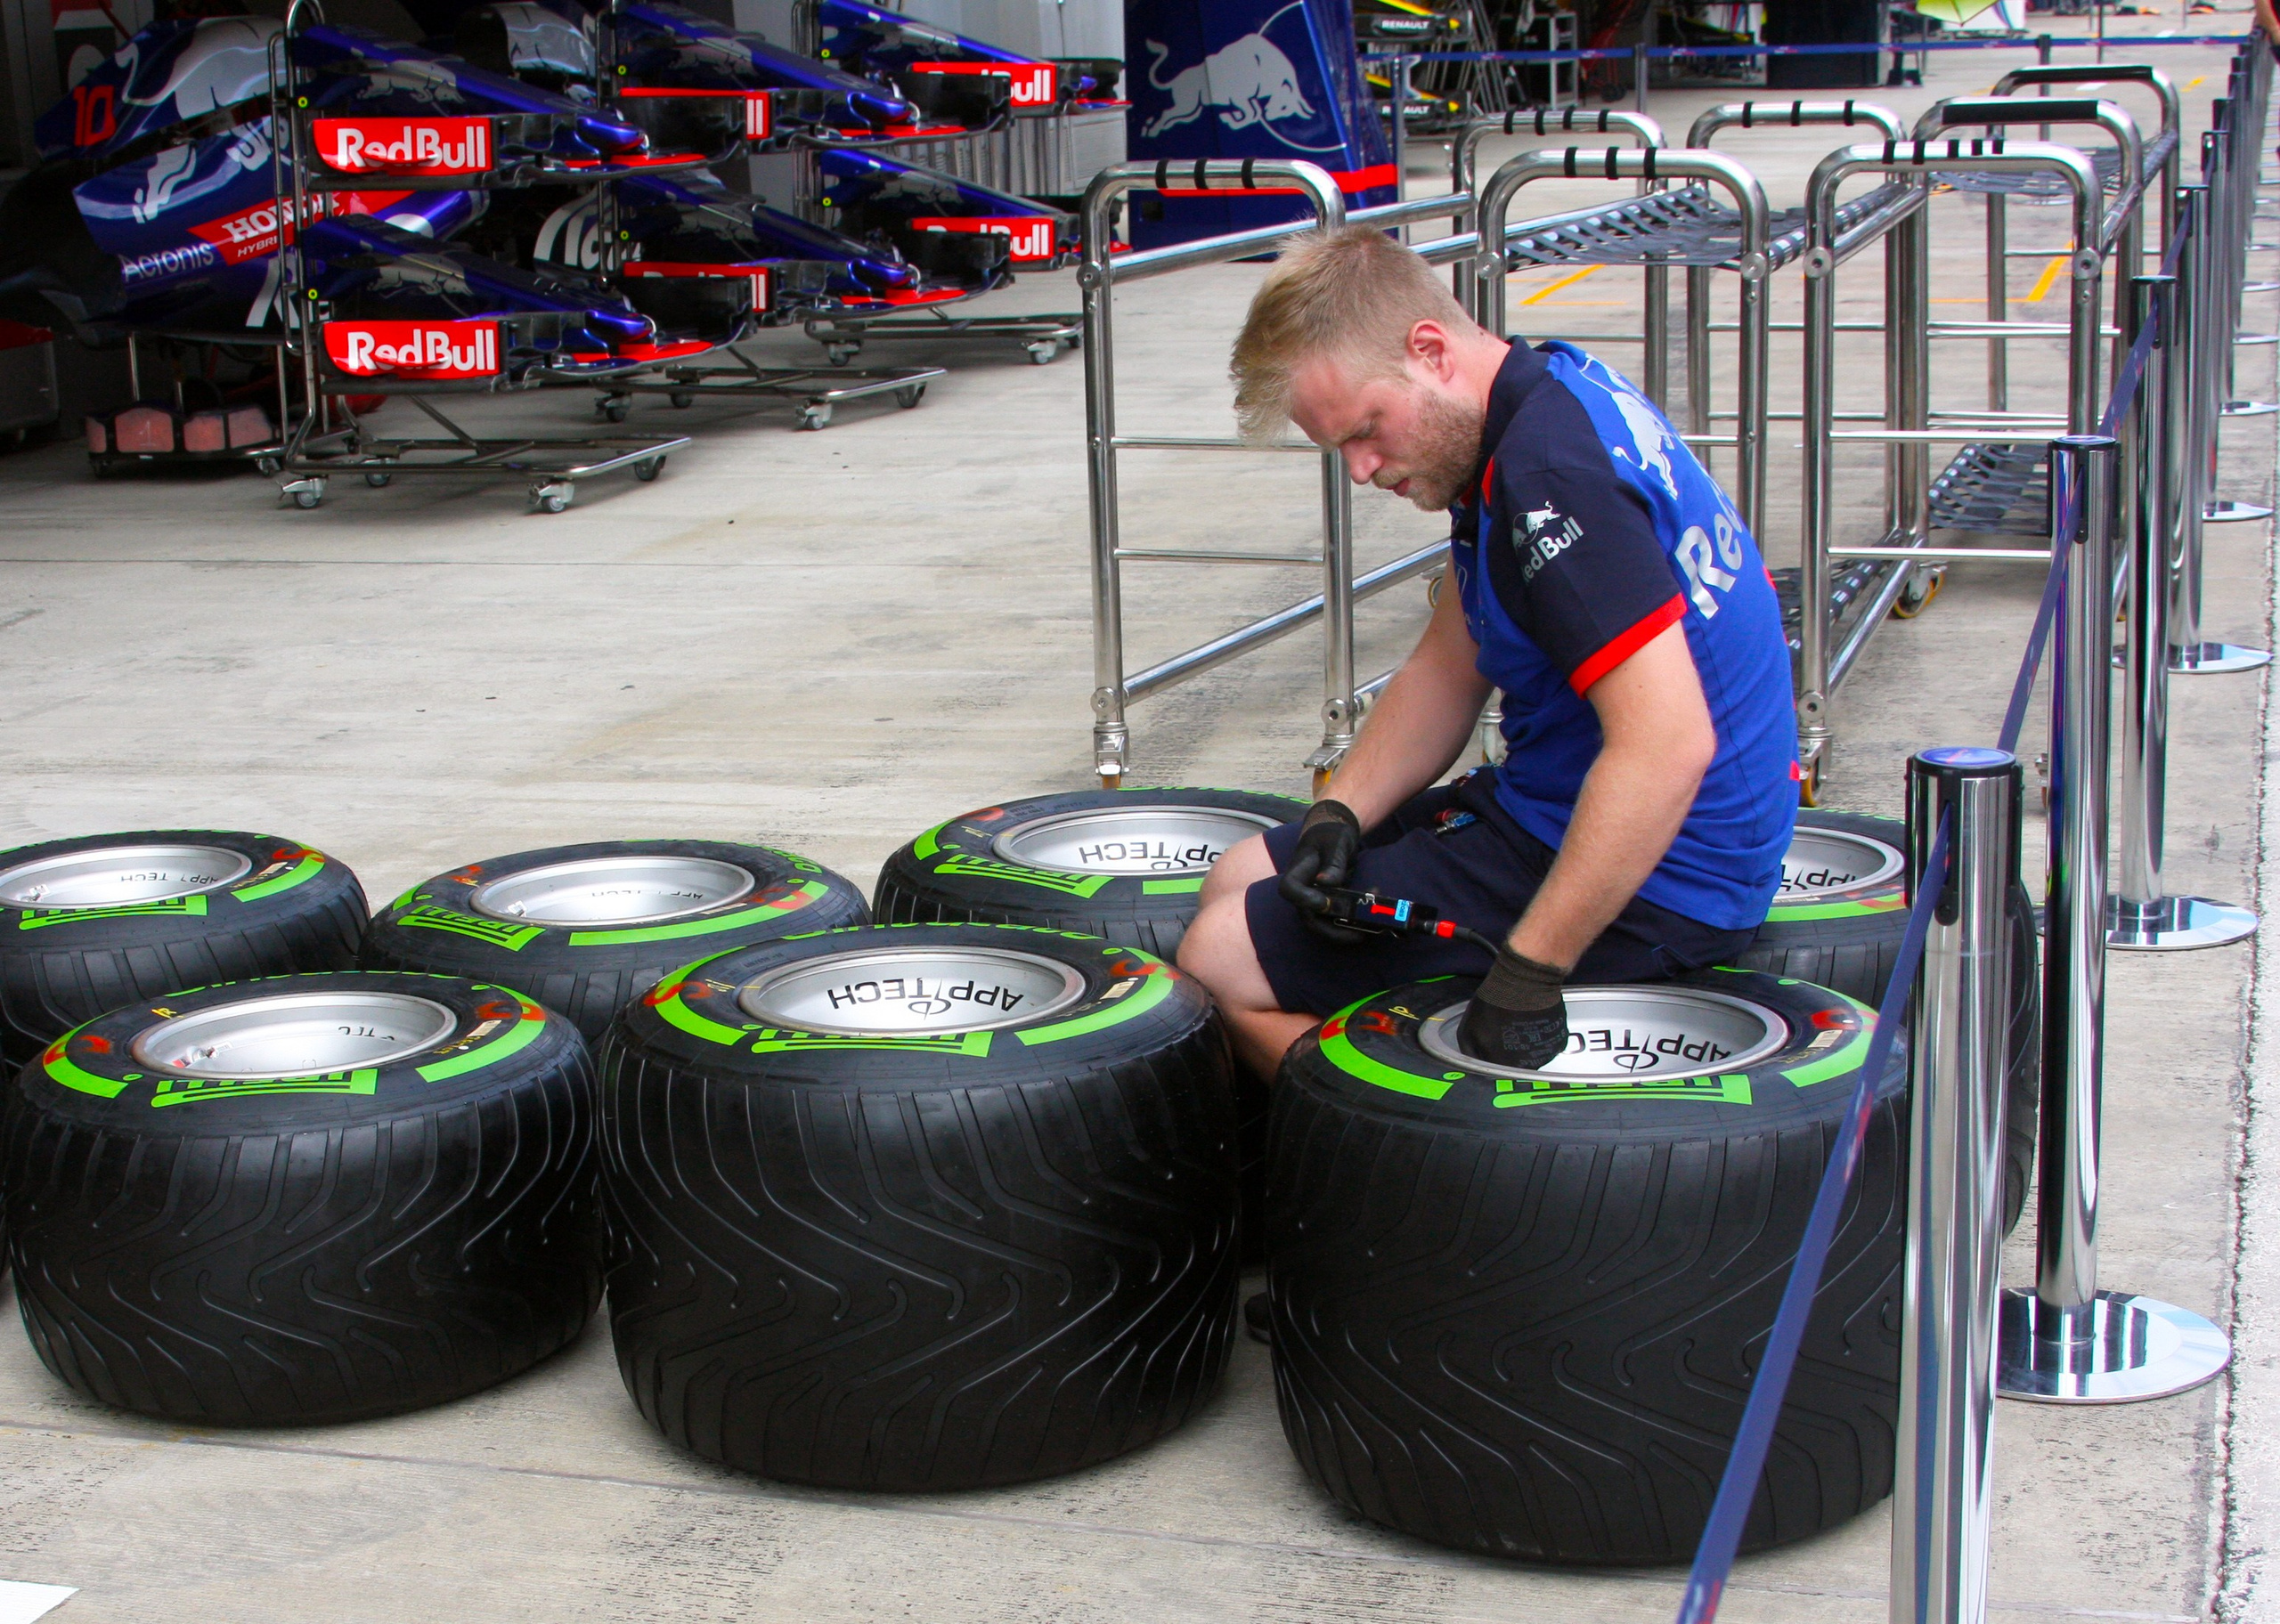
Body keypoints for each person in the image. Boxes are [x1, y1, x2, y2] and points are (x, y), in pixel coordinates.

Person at [1176, 224, 1799, 1081]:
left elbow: (1667, 746)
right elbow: (1450, 658)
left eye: (1367, 430)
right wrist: (1340, 814)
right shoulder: (1538, 402)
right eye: (1339, 450)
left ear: (1430, 351)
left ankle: (1409, 1182)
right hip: (1559, 805)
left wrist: (1531, 971)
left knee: (1218, 956)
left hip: (1666, 877)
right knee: (1242, 874)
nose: (1360, 471)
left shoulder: (1550, 477)